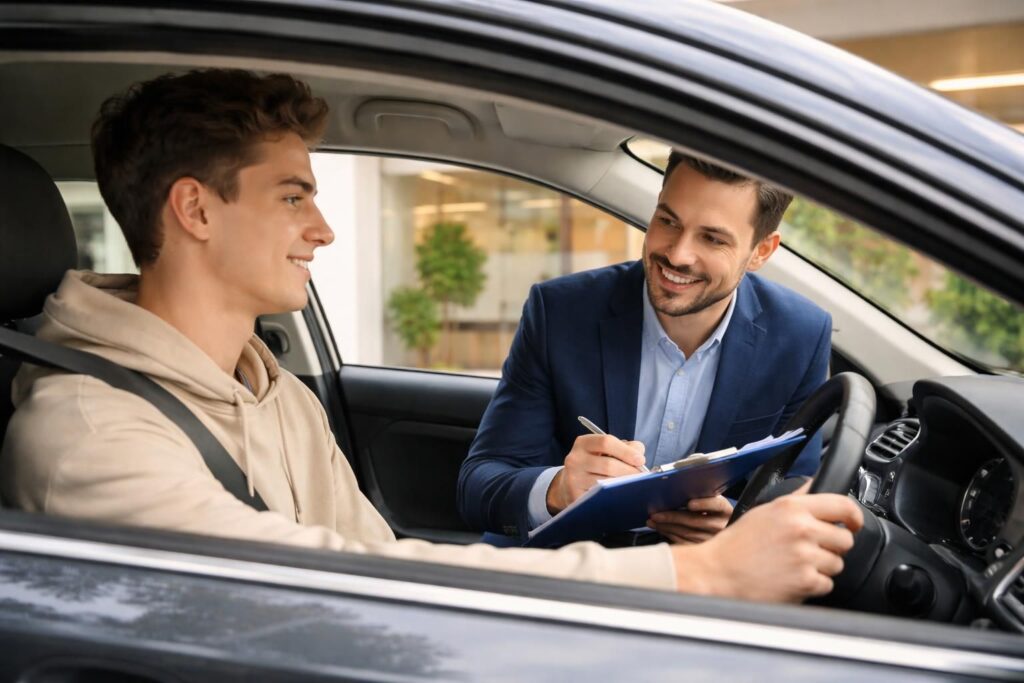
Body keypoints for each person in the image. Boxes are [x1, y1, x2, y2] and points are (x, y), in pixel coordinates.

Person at [1, 69, 860, 603]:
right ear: (194, 209)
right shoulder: (87, 435)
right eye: (295, 196)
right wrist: (695, 573)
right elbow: (350, 589)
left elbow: (381, 564)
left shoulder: (274, 392)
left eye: (711, 238)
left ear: (759, 251)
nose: (325, 229)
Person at [457, 151, 831, 545]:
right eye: (668, 221)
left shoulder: (801, 335)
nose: (676, 254)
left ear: (762, 251)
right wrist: (558, 490)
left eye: (712, 238)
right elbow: (479, 485)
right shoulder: (560, 312)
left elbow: (795, 492)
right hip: (561, 572)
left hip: (701, 581)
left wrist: (737, 526)